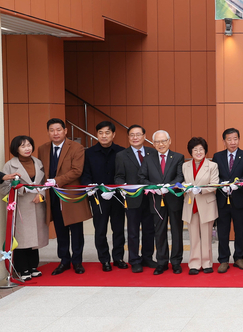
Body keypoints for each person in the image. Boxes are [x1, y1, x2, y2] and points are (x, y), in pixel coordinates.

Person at [37, 118, 91, 275]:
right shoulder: (43, 149)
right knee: (60, 230)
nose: (55, 133)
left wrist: (57, 180)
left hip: (71, 196)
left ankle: (77, 262)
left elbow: (77, 170)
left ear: (65, 131)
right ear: (48, 132)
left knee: (76, 230)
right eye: (52, 130)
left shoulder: (76, 147)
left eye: (58, 129)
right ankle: (64, 261)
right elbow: (42, 171)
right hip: (53, 195)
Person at [81, 121, 127, 272]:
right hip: (98, 197)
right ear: (97, 135)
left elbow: (124, 173)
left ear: (113, 134)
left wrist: (119, 188)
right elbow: (85, 174)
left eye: (107, 132)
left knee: (118, 228)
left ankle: (118, 258)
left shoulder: (121, 152)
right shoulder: (89, 153)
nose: (104, 136)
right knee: (100, 229)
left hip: (117, 197)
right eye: (100, 133)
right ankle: (104, 259)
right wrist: (90, 186)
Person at [138, 130, 184, 275]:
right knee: (159, 232)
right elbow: (141, 177)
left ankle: (176, 262)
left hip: (174, 199)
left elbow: (180, 176)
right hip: (156, 200)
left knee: (176, 231)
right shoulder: (148, 159)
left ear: (169, 141)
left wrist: (168, 186)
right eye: (157, 141)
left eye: (163, 141)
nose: (161, 144)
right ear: (153, 143)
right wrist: (154, 187)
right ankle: (162, 262)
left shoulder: (178, 157)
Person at [0, 136, 47, 281]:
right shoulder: (10, 165)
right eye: (23, 146)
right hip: (21, 206)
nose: (27, 148)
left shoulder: (38, 162)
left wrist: (41, 194)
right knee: (22, 237)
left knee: (34, 236)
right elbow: (3, 188)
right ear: (16, 149)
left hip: (37, 204)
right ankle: (22, 268)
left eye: (29, 145)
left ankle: (33, 266)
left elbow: (45, 183)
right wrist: (23, 190)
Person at [212, 128, 243, 273]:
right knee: (223, 232)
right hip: (223, 199)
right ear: (224, 141)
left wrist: (238, 183)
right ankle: (223, 259)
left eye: (235, 139)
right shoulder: (217, 156)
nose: (233, 142)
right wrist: (222, 184)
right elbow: (214, 175)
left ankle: (239, 258)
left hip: (240, 199)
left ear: (239, 139)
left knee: (239, 231)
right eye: (229, 139)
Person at [114, 125, 157, 272]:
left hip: (150, 197)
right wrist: (123, 187)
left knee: (149, 230)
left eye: (138, 134)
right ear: (128, 137)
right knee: (133, 231)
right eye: (132, 135)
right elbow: (118, 176)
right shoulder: (121, 155)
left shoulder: (152, 152)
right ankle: (134, 260)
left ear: (144, 136)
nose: (135, 137)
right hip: (132, 198)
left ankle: (147, 257)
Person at [182, 138, 220, 275]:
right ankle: (194, 264)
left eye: (201, 149)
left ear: (205, 150)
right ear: (190, 152)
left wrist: (201, 190)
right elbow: (182, 182)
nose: (198, 152)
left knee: (206, 236)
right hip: (191, 204)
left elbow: (215, 184)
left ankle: (207, 263)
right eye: (195, 150)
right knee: (193, 236)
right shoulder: (185, 166)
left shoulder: (212, 165)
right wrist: (184, 187)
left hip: (206, 203)